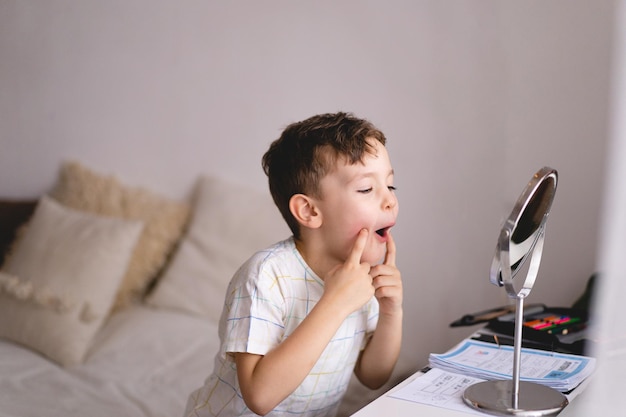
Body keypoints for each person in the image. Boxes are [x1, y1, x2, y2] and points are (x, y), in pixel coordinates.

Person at [184, 112, 402, 417]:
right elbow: (259, 397)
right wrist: (335, 303)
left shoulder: (360, 279)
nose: (389, 201)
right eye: (366, 189)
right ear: (309, 210)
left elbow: (373, 377)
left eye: (390, 186)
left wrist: (391, 311)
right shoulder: (265, 276)